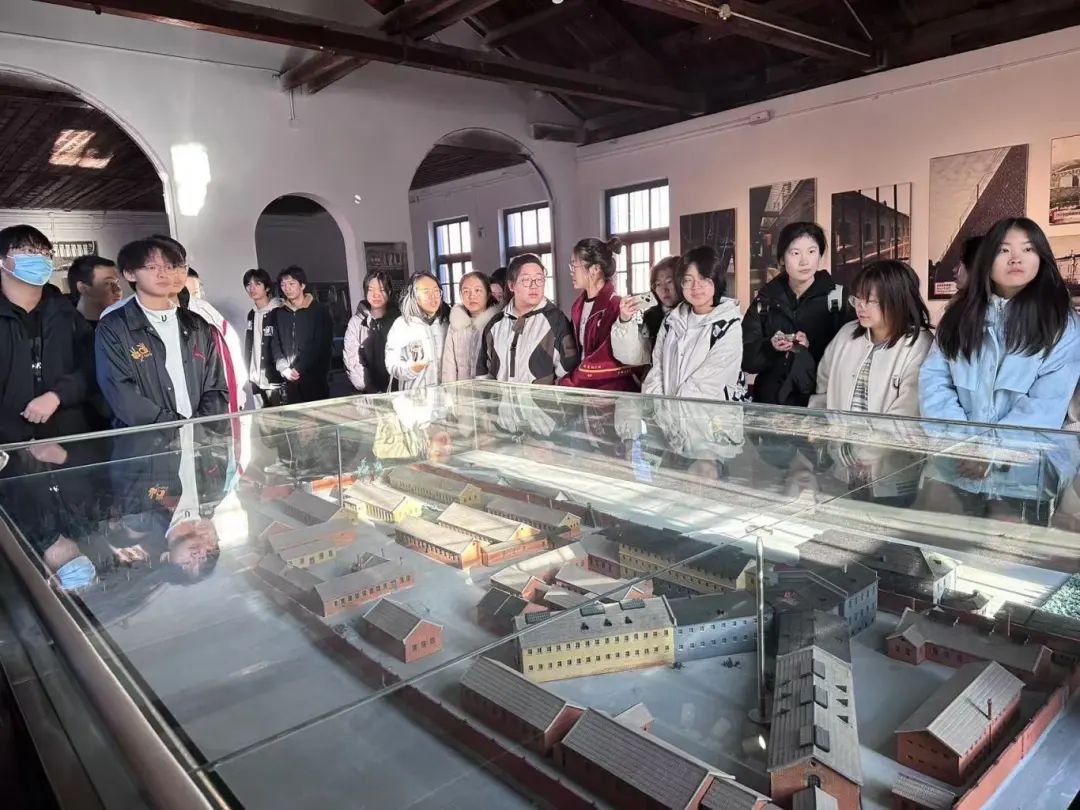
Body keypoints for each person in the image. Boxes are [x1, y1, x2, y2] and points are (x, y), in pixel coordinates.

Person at [920, 217, 1080, 429]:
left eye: (1028, 249)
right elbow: (935, 381)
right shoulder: (957, 316)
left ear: (1041, 257)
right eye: (1003, 250)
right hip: (955, 448)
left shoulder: (1061, 323)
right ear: (986, 260)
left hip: (1024, 450)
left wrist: (990, 446)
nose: (1015, 259)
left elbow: (1046, 406)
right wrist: (959, 441)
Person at [95, 237, 228, 427]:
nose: (163, 273)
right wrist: (175, 427)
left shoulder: (196, 324)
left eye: (169, 266)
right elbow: (121, 393)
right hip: (150, 440)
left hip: (200, 439)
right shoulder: (113, 327)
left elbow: (215, 386)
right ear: (130, 274)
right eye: (152, 267)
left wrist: (201, 429)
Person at [742, 222, 855, 406]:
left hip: (819, 408)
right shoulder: (765, 300)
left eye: (811, 251)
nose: (804, 261)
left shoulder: (839, 299)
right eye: (795, 253)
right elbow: (745, 359)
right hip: (770, 407)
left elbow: (851, 361)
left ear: (820, 254)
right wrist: (770, 347)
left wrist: (809, 350)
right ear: (781, 259)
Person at [0, 225, 95, 442]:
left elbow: (93, 365)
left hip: (66, 437)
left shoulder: (67, 314)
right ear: (2, 261)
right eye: (29, 251)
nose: (40, 259)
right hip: (6, 445)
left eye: (45, 253)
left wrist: (58, 395)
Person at [809, 260, 933, 416]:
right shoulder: (846, 333)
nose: (860, 307)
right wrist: (818, 423)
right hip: (837, 432)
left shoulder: (918, 343)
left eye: (871, 301)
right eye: (857, 298)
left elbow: (909, 410)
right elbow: (823, 387)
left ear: (897, 300)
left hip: (888, 433)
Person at [635, 246, 746, 401]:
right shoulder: (670, 321)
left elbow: (707, 386)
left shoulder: (728, 325)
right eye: (688, 280)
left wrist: (674, 409)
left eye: (703, 279)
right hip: (668, 414)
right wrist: (660, 408)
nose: (695, 287)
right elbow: (657, 371)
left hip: (708, 414)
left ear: (715, 280)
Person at [476, 254, 579, 384]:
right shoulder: (495, 324)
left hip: (541, 398)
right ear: (511, 285)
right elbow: (483, 374)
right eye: (526, 280)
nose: (534, 285)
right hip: (502, 398)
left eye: (539, 279)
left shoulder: (556, 321)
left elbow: (568, 374)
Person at [559, 237, 642, 391]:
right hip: (586, 388)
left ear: (594, 269)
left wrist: (568, 383)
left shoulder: (616, 305)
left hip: (613, 392)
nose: (571, 272)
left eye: (574, 265)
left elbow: (604, 358)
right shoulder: (578, 306)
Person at [184, 265, 246, 413]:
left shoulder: (207, 313)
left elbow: (231, 351)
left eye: (196, 293)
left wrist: (238, 389)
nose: (192, 299)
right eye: (185, 293)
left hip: (216, 395)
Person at [271, 265, 333, 404]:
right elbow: (275, 343)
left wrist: (298, 368)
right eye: (283, 285)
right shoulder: (279, 313)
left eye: (291, 284)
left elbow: (319, 344)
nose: (287, 288)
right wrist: (283, 368)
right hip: (288, 378)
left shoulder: (319, 311)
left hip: (315, 379)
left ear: (302, 285)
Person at [611, 255, 681, 367]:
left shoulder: (696, 313)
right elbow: (634, 356)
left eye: (669, 282)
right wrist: (625, 321)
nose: (664, 289)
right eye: (658, 284)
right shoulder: (651, 318)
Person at [383, 272, 449, 390]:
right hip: (415, 398)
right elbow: (392, 363)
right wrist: (412, 369)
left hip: (446, 396)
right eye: (426, 292)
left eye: (436, 291)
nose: (433, 296)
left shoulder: (446, 323)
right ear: (414, 296)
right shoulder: (402, 324)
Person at [344, 270, 399, 394]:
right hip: (366, 394)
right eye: (371, 290)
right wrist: (369, 389)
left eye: (381, 290)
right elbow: (352, 360)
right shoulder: (356, 323)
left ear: (389, 292)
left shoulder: (399, 320)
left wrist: (395, 387)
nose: (376, 295)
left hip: (396, 391)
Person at [441, 271, 498, 383]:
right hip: (461, 390)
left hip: (489, 390)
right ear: (461, 295)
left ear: (488, 293)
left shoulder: (496, 324)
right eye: (466, 291)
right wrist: (449, 391)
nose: (472, 296)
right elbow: (449, 366)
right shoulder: (456, 324)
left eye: (477, 290)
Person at [243, 268, 283, 407]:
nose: (252, 288)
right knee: (261, 418)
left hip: (273, 378)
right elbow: (250, 344)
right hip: (255, 377)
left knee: (279, 417)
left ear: (267, 288)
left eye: (257, 284)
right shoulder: (252, 314)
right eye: (248, 285)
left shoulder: (279, 311)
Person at [67, 254, 122, 325]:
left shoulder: (123, 322)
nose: (118, 290)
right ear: (83, 288)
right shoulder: (64, 328)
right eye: (108, 283)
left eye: (117, 282)